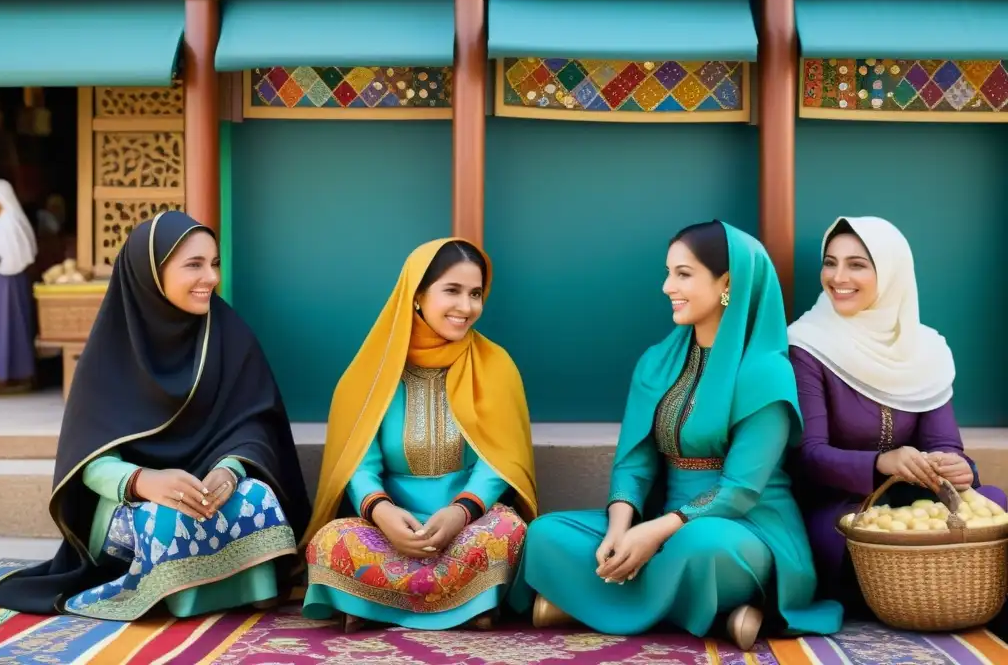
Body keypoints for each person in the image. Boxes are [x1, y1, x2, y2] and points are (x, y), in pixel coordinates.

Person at [515, 221, 842, 650]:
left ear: (727, 282)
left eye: (683, 274)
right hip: (658, 521)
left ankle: (593, 605)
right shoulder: (657, 361)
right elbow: (635, 462)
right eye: (668, 272)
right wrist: (621, 527)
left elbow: (741, 489)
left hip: (744, 527)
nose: (668, 286)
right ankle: (720, 616)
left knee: (702, 549)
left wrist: (656, 533)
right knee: (544, 533)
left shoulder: (767, 370)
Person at [0, 211, 311, 620]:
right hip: (130, 501)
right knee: (165, 519)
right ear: (151, 271)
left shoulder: (228, 333)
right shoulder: (109, 351)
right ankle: (178, 596)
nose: (210, 277)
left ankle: (252, 587)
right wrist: (144, 482)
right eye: (193, 264)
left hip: (209, 489)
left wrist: (229, 471)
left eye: (214, 263)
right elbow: (89, 460)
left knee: (257, 498)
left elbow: (254, 423)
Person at [302, 238, 537, 631]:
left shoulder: (496, 366)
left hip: (468, 524)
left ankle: (373, 604)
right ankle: (467, 605)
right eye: (452, 291)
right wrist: (384, 514)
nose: (467, 307)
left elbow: (499, 461)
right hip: (389, 524)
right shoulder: (373, 371)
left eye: (476, 293)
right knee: (330, 541)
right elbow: (358, 462)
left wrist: (460, 513)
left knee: (510, 532)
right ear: (417, 295)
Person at [788, 216, 1007, 608]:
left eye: (857, 264)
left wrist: (957, 467)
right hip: (838, 505)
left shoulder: (926, 349)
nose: (838, 277)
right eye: (830, 262)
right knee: (845, 533)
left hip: (912, 503)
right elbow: (809, 455)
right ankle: (920, 599)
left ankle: (954, 600)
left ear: (891, 273)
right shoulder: (806, 345)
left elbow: (943, 444)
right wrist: (883, 462)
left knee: (995, 502)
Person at [0, 179, 37, 394]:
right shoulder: (6, 221)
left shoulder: (9, 223)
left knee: (5, 328)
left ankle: (6, 377)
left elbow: (4, 259)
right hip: (2, 283)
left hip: (6, 285)